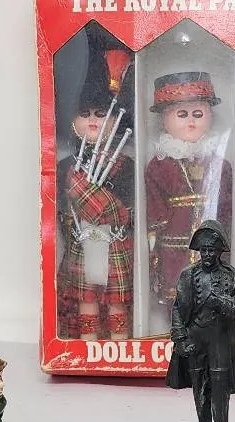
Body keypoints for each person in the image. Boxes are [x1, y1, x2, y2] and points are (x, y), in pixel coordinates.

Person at [56, 38, 136, 341]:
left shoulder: (125, 165)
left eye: (101, 114)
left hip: (115, 242)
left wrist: (110, 212)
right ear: (72, 121)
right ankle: (86, 346)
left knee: (117, 301)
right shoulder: (65, 166)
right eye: (85, 113)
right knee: (85, 300)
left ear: (115, 121)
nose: (92, 120)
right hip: (80, 241)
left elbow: (126, 211)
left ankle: (120, 345)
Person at [146, 71, 234, 326]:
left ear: (210, 116)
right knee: (178, 294)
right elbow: (154, 206)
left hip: (211, 249)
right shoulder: (159, 166)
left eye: (198, 114)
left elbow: (226, 208)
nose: (191, 121)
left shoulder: (220, 165)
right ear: (165, 120)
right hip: (174, 248)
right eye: (182, 114)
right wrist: (153, 237)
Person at [165, 221, 235, 422]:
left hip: (220, 341)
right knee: (198, 384)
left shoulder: (230, 276)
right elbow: (177, 308)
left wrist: (224, 304)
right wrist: (180, 338)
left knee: (219, 386)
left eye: (211, 250)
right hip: (195, 337)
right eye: (203, 250)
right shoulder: (188, 275)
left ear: (219, 251)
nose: (206, 254)